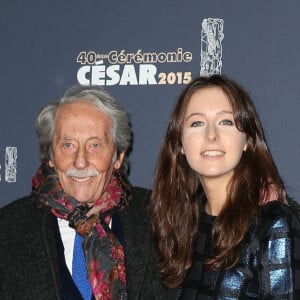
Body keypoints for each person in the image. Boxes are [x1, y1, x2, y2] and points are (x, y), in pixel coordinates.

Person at [0, 85, 166, 300]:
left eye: (94, 145)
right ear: (50, 156)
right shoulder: (8, 228)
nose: (80, 161)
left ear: (118, 158)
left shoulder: (160, 217)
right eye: (68, 145)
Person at [149, 75, 300, 299]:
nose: (211, 135)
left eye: (226, 122)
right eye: (197, 123)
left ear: (248, 140)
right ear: (180, 143)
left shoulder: (272, 223)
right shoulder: (178, 222)